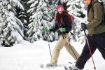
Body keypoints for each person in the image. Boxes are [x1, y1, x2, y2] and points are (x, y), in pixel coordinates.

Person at [71, 0, 105, 70]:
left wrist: (87, 26)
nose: (84, 1)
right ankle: (78, 66)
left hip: (100, 35)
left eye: (85, 0)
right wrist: (86, 26)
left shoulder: (96, 5)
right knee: (86, 52)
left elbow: (98, 20)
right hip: (92, 34)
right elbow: (92, 20)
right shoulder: (90, 6)